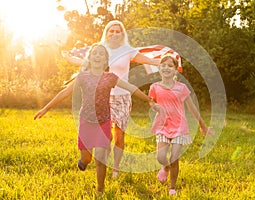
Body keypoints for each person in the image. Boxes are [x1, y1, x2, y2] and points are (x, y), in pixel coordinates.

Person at [34, 44, 157, 193]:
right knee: (87, 158)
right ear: (89, 58)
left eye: (101, 54)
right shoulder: (83, 76)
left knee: (100, 157)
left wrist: (148, 100)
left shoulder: (110, 77)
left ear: (106, 60)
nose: (98, 56)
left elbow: (131, 88)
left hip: (103, 121)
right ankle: (84, 161)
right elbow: (65, 92)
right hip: (86, 121)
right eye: (95, 54)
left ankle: (100, 190)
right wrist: (46, 108)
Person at [62, 20, 160, 178]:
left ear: (122, 34)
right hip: (103, 97)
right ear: (106, 33)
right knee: (105, 135)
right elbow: (89, 62)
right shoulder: (102, 49)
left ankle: (116, 168)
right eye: (111, 31)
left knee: (119, 135)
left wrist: (162, 62)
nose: (114, 33)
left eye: (117, 31)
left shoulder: (128, 50)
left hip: (123, 98)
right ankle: (103, 162)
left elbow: (147, 60)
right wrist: (72, 60)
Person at [148, 54, 214, 195]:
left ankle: (172, 187)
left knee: (174, 158)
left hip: (178, 126)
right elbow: (151, 101)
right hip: (162, 125)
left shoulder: (182, 88)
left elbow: (192, 108)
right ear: (159, 68)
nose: (166, 68)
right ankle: (165, 168)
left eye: (170, 65)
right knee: (160, 157)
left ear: (176, 70)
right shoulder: (154, 87)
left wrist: (203, 126)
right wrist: (155, 107)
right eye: (163, 65)